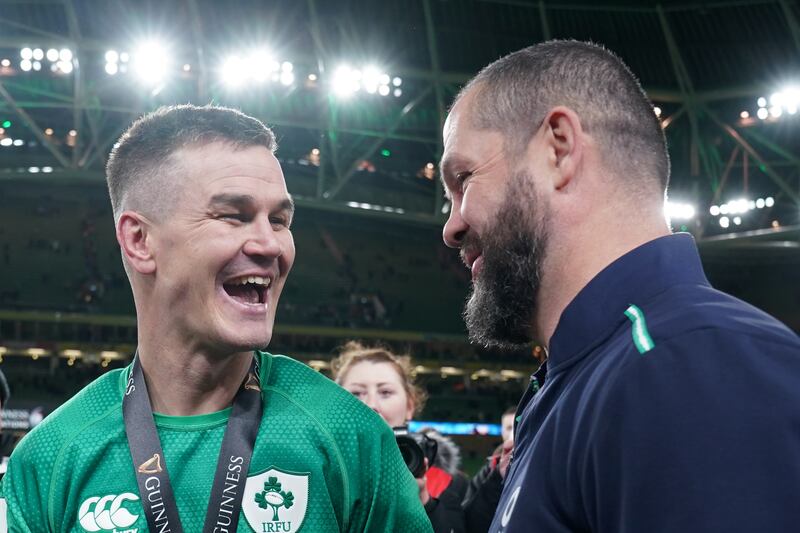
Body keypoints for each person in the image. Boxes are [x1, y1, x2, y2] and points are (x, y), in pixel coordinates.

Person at [0, 105, 432, 533]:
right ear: (140, 240)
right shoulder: (48, 459)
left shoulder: (350, 435)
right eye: (233, 216)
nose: (270, 244)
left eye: (279, 220)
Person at [439, 40, 800, 532]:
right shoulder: (603, 369)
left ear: (559, 149)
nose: (452, 226)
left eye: (463, 179)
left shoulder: (687, 364)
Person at [332, 341, 467, 533]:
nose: (371, 404)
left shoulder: (444, 483)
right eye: (356, 393)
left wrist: (425, 503)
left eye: (385, 392)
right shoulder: (315, 472)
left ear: (410, 406)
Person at [462, 407, 515, 533]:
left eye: (517, 425)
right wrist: (497, 476)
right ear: (502, 431)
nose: (514, 432)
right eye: (509, 428)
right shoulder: (488, 471)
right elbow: (470, 518)